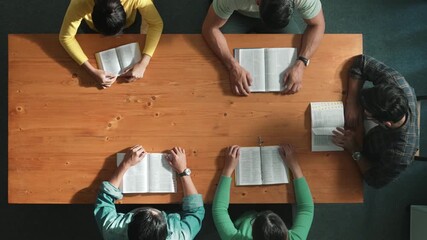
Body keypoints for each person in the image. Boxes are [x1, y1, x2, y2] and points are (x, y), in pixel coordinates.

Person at [202, 0, 325, 96]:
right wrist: (232, 65)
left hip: (274, 15)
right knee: (217, 64)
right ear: (257, 2)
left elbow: (318, 24)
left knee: (297, 50)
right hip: (237, 13)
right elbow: (209, 28)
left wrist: (301, 63)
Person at [332, 54, 419, 189]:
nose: (364, 112)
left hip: (365, 150)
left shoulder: (400, 154)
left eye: (368, 112)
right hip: (368, 129)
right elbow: (362, 62)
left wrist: (354, 149)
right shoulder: (398, 86)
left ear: (386, 123)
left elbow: (375, 180)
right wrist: (352, 102)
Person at [94, 145, 205, 240]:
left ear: (128, 226)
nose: (150, 208)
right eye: (158, 214)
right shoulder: (179, 236)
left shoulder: (113, 231)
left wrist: (125, 164)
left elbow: (105, 197)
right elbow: (195, 211)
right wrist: (183, 171)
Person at [212, 144, 314, 240]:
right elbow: (306, 208)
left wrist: (228, 169)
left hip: (243, 214)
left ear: (253, 233)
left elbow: (219, 210)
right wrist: (294, 166)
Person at [59, 0, 163, 89]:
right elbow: (65, 37)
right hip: (93, 29)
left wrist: (144, 63)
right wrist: (91, 71)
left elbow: (156, 24)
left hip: (129, 23)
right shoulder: (79, 3)